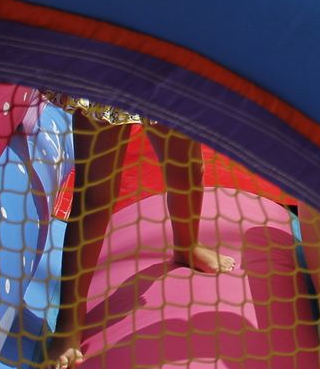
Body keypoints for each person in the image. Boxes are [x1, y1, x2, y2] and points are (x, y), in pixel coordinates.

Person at [42, 105, 235, 367]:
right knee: (95, 197)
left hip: (164, 76)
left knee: (188, 171)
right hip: (110, 78)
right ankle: (68, 324)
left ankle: (187, 245)